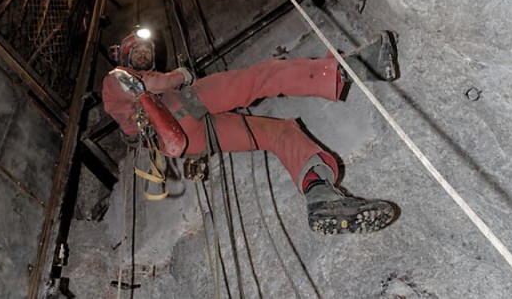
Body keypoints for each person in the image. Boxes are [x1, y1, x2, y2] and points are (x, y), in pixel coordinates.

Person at [102, 30, 399, 235]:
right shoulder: (115, 79)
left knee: (278, 133)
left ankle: (321, 196)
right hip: (181, 110)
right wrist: (182, 75)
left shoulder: (141, 83)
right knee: (260, 77)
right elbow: (150, 86)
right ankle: (356, 67)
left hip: (190, 138)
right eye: (136, 51)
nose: (142, 54)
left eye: (145, 51)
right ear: (124, 57)